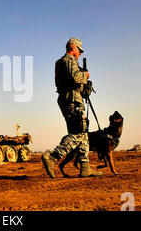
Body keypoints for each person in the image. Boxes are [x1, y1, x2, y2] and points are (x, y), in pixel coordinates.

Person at [42, 37, 103, 178]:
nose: (80, 53)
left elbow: (75, 84)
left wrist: (86, 87)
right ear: (73, 48)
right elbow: (76, 78)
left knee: (83, 136)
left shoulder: (65, 62)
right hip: (72, 101)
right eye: (79, 50)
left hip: (72, 99)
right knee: (78, 134)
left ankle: (85, 167)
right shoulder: (68, 61)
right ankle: (52, 157)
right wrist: (85, 75)